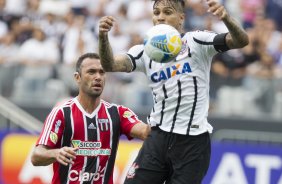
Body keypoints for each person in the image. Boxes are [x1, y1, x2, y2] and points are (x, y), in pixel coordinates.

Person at [98, 0, 249, 183]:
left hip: (192, 143)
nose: (160, 17)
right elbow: (110, 64)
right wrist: (103, 37)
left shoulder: (196, 41)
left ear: (181, 18)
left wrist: (226, 18)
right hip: (157, 137)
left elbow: (241, 41)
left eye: (167, 12)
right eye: (156, 12)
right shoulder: (144, 51)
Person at [31, 52, 150, 184]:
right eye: (91, 72)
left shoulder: (118, 113)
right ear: (77, 77)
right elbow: (36, 156)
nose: (98, 77)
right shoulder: (62, 113)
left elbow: (146, 133)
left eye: (102, 72)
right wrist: (56, 153)